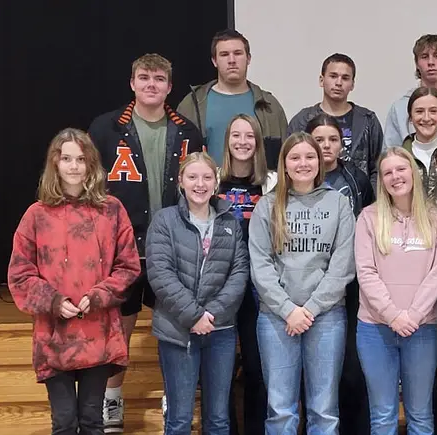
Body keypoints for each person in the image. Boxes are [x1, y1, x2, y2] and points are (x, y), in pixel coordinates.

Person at [88, 53, 203, 433]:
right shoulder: (106, 129)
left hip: (174, 246)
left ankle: (176, 399)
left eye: (158, 79)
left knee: (173, 328)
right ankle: (111, 401)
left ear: (170, 87)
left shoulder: (187, 131)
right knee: (120, 328)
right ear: (132, 83)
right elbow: (91, 189)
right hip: (124, 248)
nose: (151, 84)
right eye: (144, 77)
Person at [7, 128, 141, 435]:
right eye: (66, 158)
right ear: (54, 164)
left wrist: (98, 295)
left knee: (93, 421)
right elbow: (20, 273)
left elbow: (128, 266)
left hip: (98, 332)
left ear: (92, 164)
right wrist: (53, 300)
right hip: (54, 336)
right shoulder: (36, 215)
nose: (74, 166)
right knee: (65, 422)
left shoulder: (112, 210)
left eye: (81, 159)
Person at [249, 132, 356, 435]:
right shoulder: (266, 206)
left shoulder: (338, 204)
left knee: (324, 410)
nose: (303, 163)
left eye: (310, 156)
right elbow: (260, 266)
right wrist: (288, 310)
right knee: (281, 409)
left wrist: (309, 309)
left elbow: (343, 264)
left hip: (326, 317)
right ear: (284, 164)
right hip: (276, 318)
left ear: (320, 161)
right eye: (294, 157)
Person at [145, 151, 249, 434]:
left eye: (206, 177)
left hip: (221, 331)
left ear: (216, 183)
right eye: (192, 177)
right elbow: (160, 274)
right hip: (178, 331)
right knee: (179, 418)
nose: (199, 184)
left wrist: (212, 314)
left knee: (218, 419)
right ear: (181, 181)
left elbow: (239, 274)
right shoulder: (164, 221)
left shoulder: (230, 222)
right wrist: (193, 316)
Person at [355, 146, 437, 434]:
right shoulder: (368, 218)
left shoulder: (435, 218)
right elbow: (366, 273)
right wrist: (393, 315)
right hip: (375, 329)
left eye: (401, 169)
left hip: (422, 329)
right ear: (381, 180)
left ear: (414, 173)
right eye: (387, 172)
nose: (395, 176)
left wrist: (415, 315)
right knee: (383, 415)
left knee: (420, 414)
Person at [399, 86, 437, 434]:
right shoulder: (396, 155)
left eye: (432, 111)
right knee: (416, 363)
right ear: (410, 116)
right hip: (409, 270)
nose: (426, 118)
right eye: (419, 111)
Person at [306, 113, 374, 434]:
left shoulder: (357, 180)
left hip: (351, 286)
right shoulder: (300, 178)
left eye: (333, 139)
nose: (326, 145)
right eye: (319, 139)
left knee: (351, 369)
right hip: (307, 287)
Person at [217, 114, 278, 434]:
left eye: (249, 136)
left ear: (258, 142)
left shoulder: (271, 183)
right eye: (236, 135)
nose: (242, 142)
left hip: (259, 287)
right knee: (221, 370)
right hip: (220, 287)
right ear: (227, 140)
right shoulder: (212, 182)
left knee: (257, 367)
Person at [177, 29, 288, 170]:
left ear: (248, 59)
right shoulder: (192, 105)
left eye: (238, 53)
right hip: (206, 189)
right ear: (214, 61)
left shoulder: (269, 106)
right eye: (224, 55)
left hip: (259, 189)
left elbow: (285, 157)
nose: (231, 60)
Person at [288, 53, 384, 189]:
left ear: (352, 84)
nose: (338, 83)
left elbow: (377, 167)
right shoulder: (303, 120)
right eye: (333, 76)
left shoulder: (368, 120)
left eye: (345, 78)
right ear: (321, 80)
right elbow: (290, 163)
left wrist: (371, 202)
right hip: (312, 199)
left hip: (359, 201)